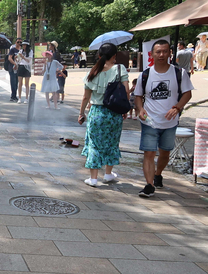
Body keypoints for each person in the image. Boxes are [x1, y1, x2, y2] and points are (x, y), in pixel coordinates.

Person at [134, 39, 193, 198]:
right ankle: (149, 185)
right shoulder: (145, 75)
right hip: (149, 121)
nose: (161, 54)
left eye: (165, 51)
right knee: (149, 153)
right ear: (152, 54)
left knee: (165, 153)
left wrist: (177, 107)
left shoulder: (179, 73)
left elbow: (187, 93)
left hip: (170, 122)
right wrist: (140, 109)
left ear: (170, 53)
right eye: (158, 52)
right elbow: (138, 96)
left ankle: (158, 173)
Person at [77, 43, 129, 187]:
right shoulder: (120, 69)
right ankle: (108, 174)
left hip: (97, 113)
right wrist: (124, 110)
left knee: (94, 144)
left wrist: (81, 113)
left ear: (99, 56)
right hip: (114, 113)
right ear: (114, 56)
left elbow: (85, 98)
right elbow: (126, 92)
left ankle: (93, 178)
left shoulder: (91, 72)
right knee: (112, 142)